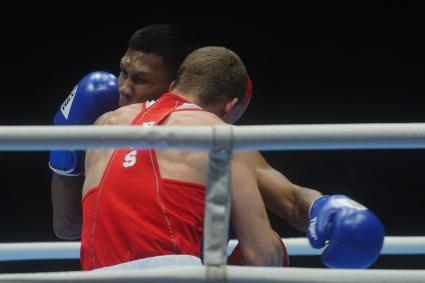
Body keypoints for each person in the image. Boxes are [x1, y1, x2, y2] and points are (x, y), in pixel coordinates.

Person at [49, 24, 384, 269]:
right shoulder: (210, 134)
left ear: (174, 83)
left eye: (139, 79)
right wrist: (65, 162)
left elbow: (292, 199)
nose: (122, 89)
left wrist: (325, 207)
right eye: (122, 73)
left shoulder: (107, 126)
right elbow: (68, 227)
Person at [83, 46, 285, 270]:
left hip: (93, 274)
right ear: (230, 107)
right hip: (173, 273)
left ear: (172, 87)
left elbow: (70, 226)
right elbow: (260, 257)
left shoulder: (105, 123)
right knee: (273, 250)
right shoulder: (219, 134)